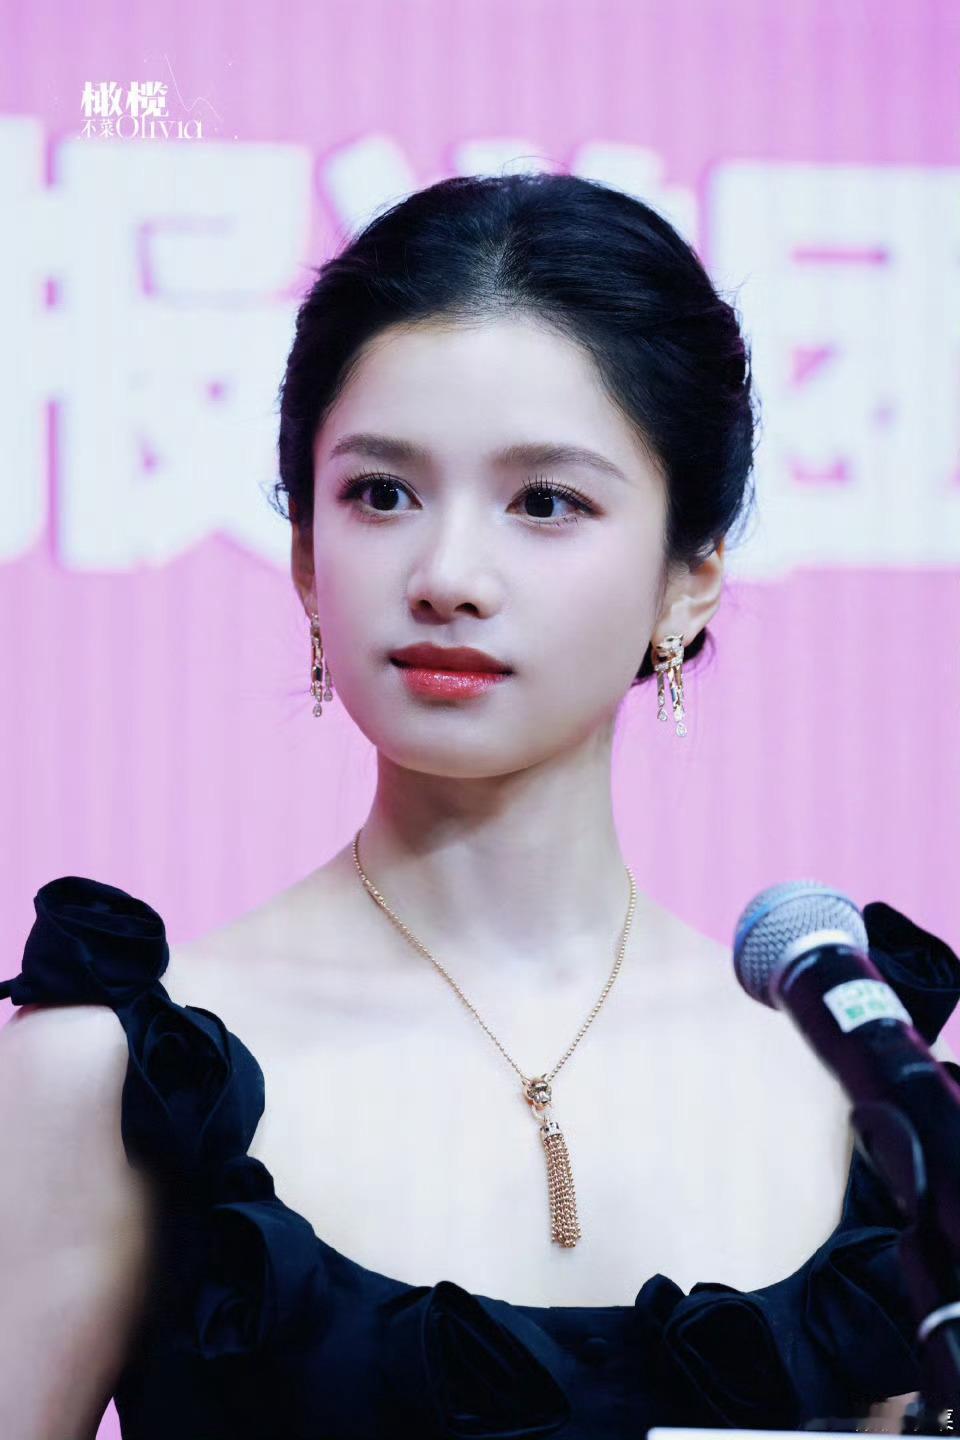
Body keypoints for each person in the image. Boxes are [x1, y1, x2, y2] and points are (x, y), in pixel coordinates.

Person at [1, 171, 958, 1439]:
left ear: (689, 580)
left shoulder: (856, 1089)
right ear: (305, 558)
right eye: (380, 493)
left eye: (545, 502)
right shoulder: (112, 1077)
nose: (446, 575)